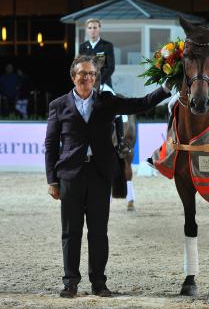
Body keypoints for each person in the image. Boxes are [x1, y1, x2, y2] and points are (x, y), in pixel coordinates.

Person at [45, 55, 171, 298]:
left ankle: (98, 282)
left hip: (100, 174)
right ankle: (70, 282)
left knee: (98, 231)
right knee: (71, 232)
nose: (88, 78)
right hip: (70, 175)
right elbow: (50, 145)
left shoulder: (107, 101)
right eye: (82, 74)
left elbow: (141, 103)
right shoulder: (58, 105)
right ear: (73, 77)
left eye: (92, 74)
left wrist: (165, 88)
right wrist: (52, 180)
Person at [79, 18, 129, 157]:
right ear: (87, 30)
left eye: (95, 27)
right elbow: (80, 66)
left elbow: (111, 66)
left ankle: (121, 142)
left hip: (104, 83)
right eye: (90, 28)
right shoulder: (83, 47)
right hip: (86, 83)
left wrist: (99, 82)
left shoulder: (107, 45)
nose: (92, 30)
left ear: (99, 29)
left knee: (116, 107)